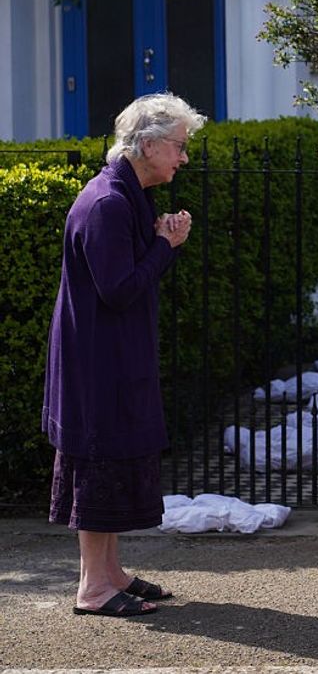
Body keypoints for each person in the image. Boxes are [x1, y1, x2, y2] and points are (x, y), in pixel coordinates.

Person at [44, 93, 205, 616]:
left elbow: (125, 278)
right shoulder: (109, 203)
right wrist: (165, 246)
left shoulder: (127, 195)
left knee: (112, 457)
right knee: (100, 460)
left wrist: (160, 241)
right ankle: (94, 588)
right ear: (149, 144)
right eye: (179, 146)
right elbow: (117, 290)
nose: (183, 157)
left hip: (109, 354)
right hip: (98, 363)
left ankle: (110, 572)